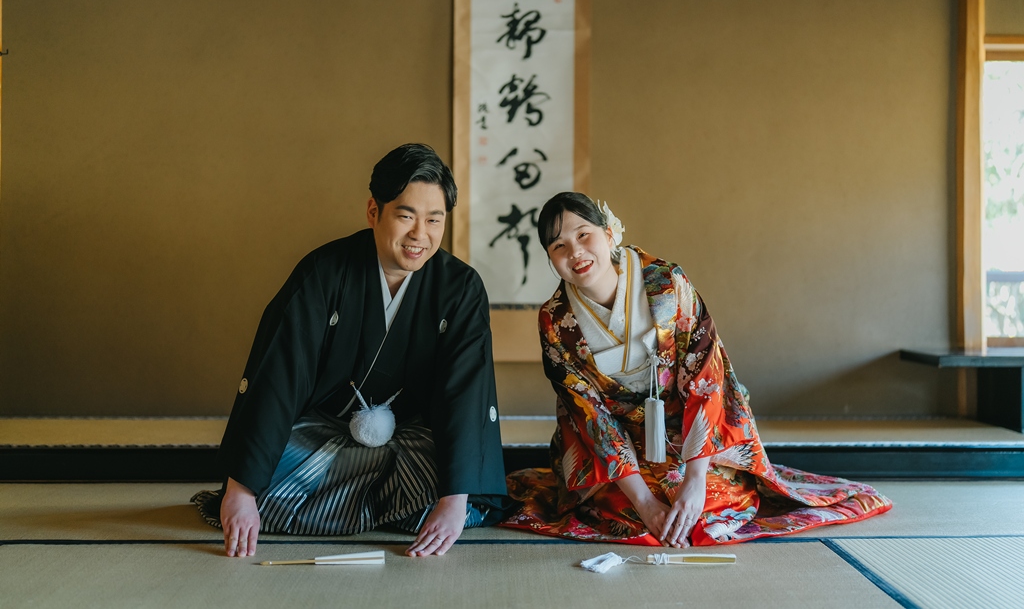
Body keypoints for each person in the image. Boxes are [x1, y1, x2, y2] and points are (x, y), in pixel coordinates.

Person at [502, 192, 891, 546]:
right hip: (619, 444)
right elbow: (589, 416)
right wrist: (643, 503)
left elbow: (706, 379)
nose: (576, 252)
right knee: (618, 510)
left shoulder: (667, 283)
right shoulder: (556, 320)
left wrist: (694, 479)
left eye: (584, 235)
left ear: (608, 233)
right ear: (550, 258)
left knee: (711, 503)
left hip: (688, 432)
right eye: (559, 245)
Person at [192, 144, 508, 557]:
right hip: (322, 435)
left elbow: (467, 394)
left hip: (410, 442)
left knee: (455, 492)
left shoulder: (460, 288)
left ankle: (389, 506)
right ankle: (381, 508)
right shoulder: (325, 271)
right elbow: (279, 377)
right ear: (374, 212)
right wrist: (240, 490)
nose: (420, 234)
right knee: (264, 484)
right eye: (406, 215)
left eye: (434, 219)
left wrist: (454, 502)